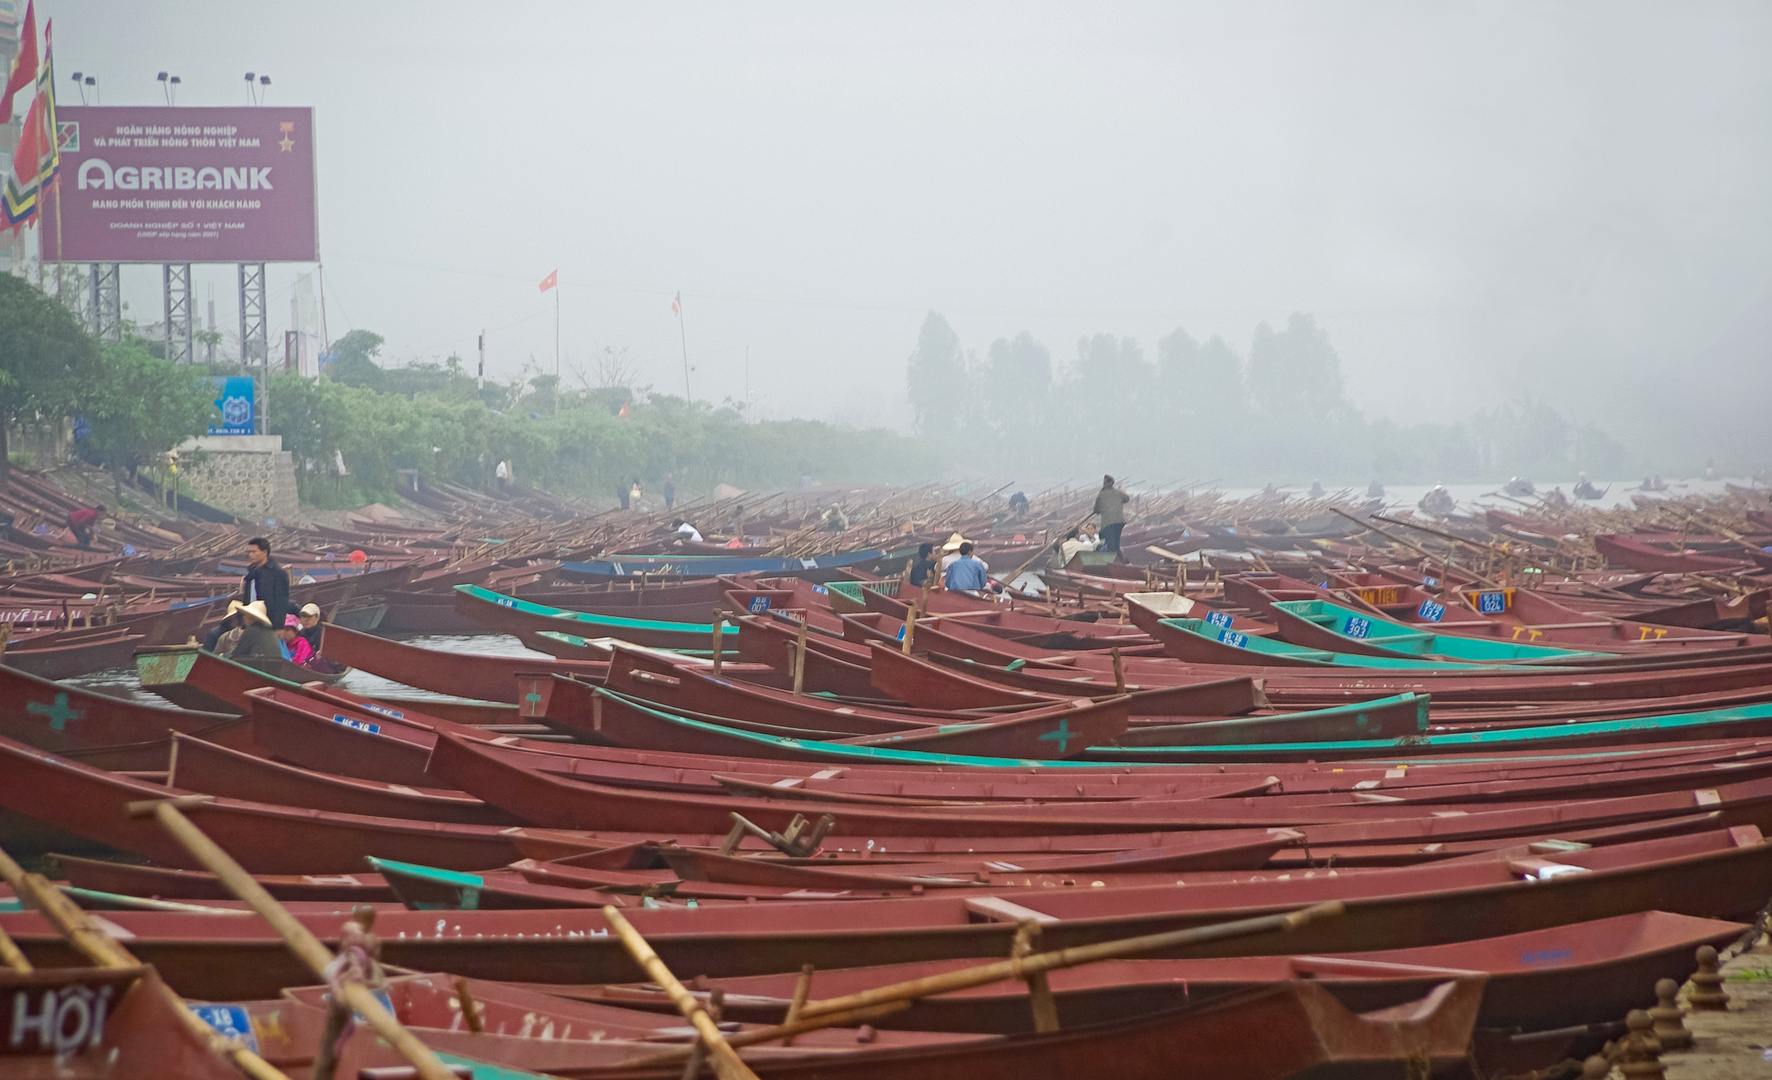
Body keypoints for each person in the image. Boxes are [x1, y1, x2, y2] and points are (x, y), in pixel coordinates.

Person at [203, 537, 290, 652]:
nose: (250, 555)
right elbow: (247, 599)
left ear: (264, 552)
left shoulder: (277, 573)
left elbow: (281, 601)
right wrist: (243, 624)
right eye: (249, 552)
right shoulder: (252, 572)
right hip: (250, 620)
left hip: (268, 622)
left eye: (254, 552)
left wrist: (279, 626)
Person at [1092, 475, 1129, 556]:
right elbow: (1126, 499)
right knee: (1116, 545)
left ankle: (1114, 563)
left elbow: (1096, 511)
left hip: (1108, 524)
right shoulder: (1118, 493)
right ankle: (1118, 561)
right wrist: (1122, 492)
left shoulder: (1101, 495)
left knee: (1111, 547)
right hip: (1119, 523)